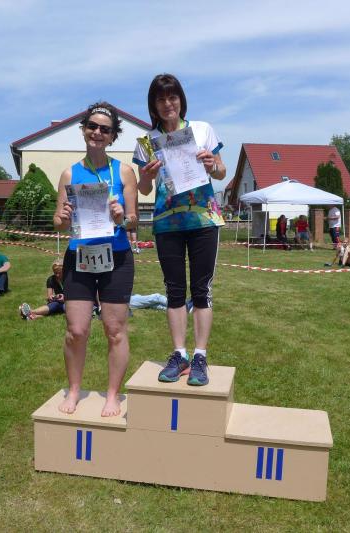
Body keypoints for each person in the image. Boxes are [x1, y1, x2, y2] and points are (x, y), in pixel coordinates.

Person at [134, 74, 225, 387]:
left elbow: (222, 171)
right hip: (167, 222)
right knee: (173, 290)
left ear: (181, 100)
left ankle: (200, 356)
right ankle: (179, 354)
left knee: (201, 290)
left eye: (172, 97)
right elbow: (144, 188)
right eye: (160, 99)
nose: (167, 104)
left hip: (203, 220)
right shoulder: (146, 142)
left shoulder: (202, 129)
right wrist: (147, 176)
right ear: (153, 105)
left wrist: (213, 164)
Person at [54, 101, 137, 416]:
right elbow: (58, 222)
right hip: (80, 257)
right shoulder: (69, 173)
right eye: (92, 126)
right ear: (83, 130)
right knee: (76, 330)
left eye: (105, 129)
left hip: (116, 257)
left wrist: (121, 216)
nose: (97, 133)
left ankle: (112, 394)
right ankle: (74, 390)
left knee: (114, 330)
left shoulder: (124, 171)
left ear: (113, 136)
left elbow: (133, 221)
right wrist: (63, 217)